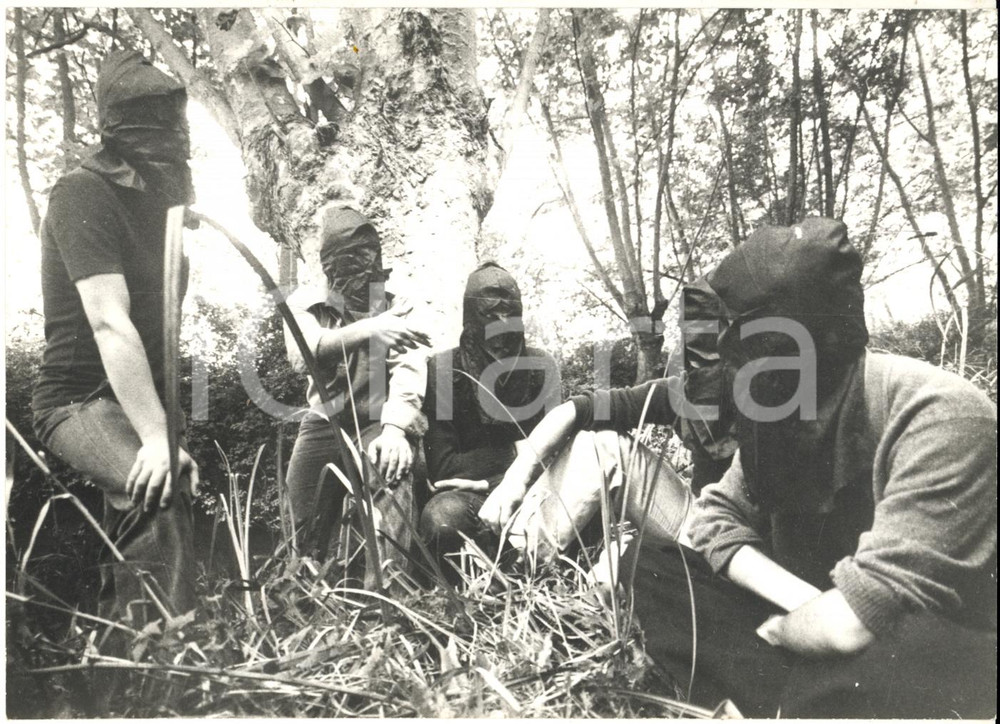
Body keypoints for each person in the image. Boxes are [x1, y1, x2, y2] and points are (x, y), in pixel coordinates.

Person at [481, 217, 996, 717]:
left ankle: (784, 700)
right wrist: (806, 607)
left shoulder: (939, 413)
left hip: (907, 632)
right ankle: (794, 699)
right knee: (645, 564)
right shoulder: (771, 413)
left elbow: (858, 623)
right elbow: (714, 520)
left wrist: (790, 629)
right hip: (820, 607)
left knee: (920, 652)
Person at [31, 50, 200, 625]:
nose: (168, 132)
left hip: (133, 396)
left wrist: (164, 427)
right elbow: (109, 321)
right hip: (78, 399)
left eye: (171, 115)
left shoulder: (164, 204)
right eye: (146, 115)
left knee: (149, 509)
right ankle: (160, 685)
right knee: (159, 490)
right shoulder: (82, 192)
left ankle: (120, 672)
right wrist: (156, 439)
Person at [283, 204, 430, 561]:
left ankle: (391, 599)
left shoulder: (400, 304)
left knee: (392, 468)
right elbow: (303, 355)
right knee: (301, 512)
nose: (360, 276)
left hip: (379, 419)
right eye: (347, 264)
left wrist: (395, 431)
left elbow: (409, 369)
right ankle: (302, 598)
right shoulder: (304, 303)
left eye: (366, 261)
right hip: (324, 420)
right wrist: (370, 329)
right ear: (329, 266)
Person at [418, 263, 562, 580]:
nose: (500, 329)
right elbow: (444, 467)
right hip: (470, 500)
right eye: (488, 316)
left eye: (508, 318)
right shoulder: (443, 369)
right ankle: (464, 597)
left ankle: (532, 575)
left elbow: (557, 455)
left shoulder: (542, 366)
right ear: (470, 319)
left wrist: (492, 480)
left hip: (534, 492)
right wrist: (520, 449)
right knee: (443, 517)